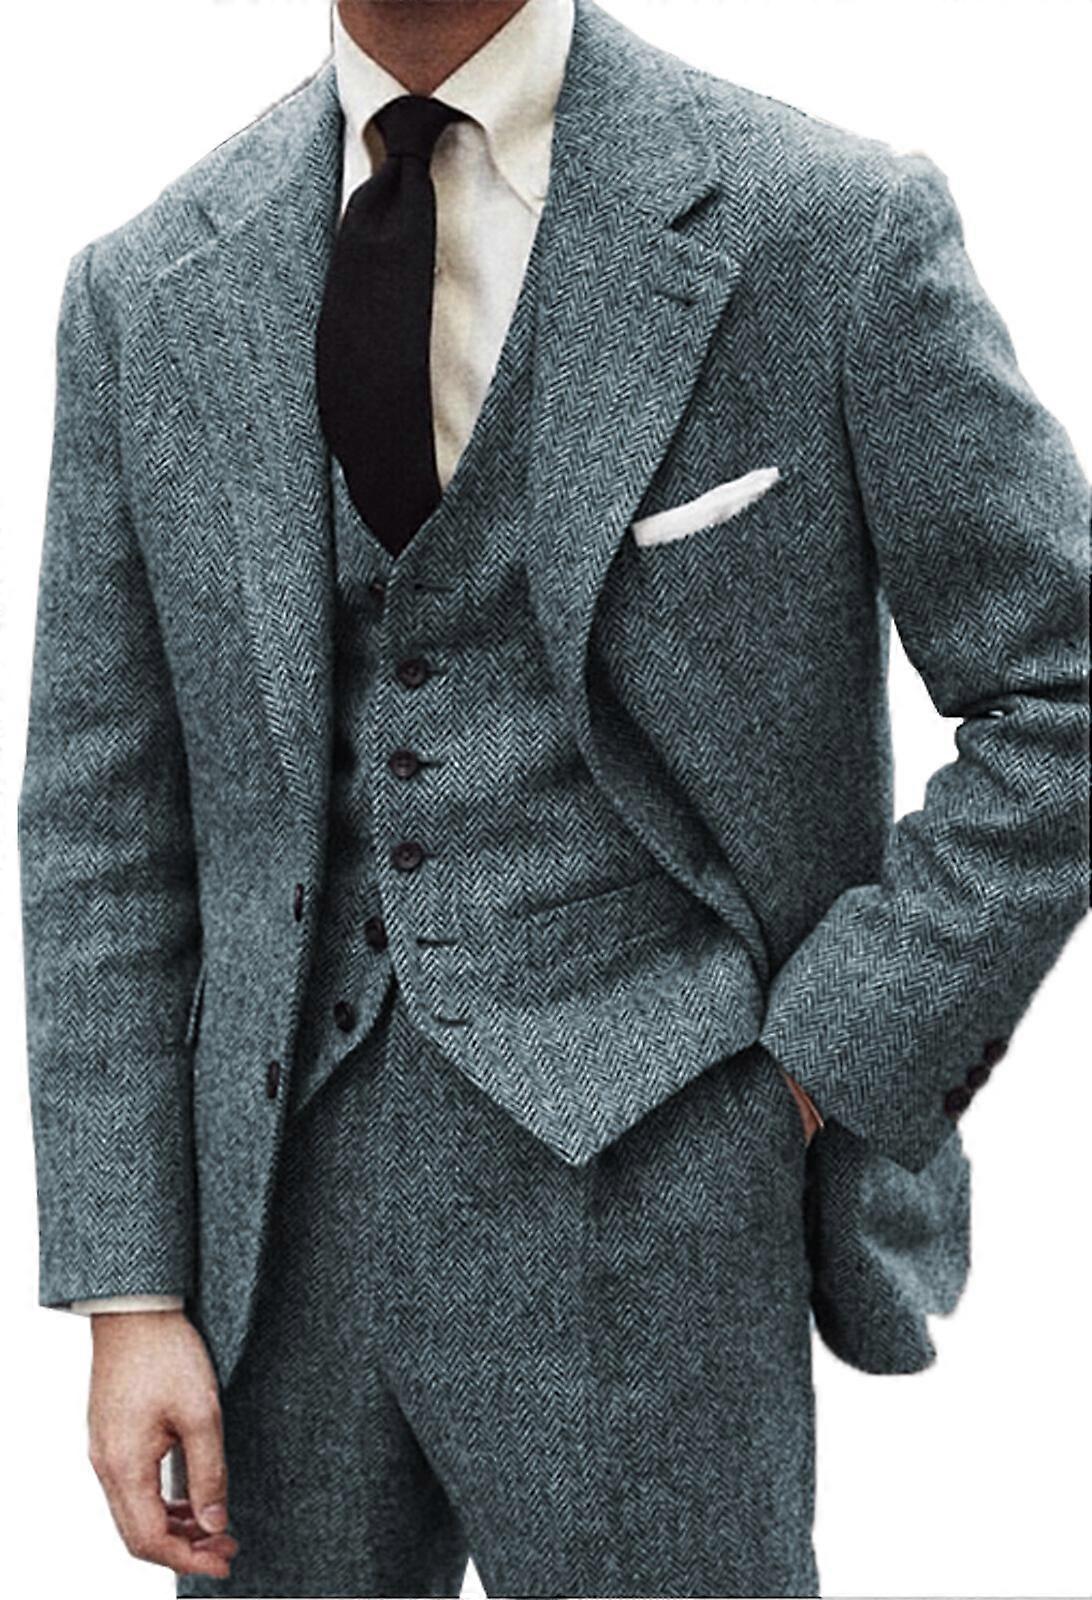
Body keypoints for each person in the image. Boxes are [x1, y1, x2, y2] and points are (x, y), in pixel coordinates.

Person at [18, 0, 1089, 1595]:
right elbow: (104, 823)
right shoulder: (146, 288)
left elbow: (1063, 689)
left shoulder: (823, 225)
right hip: (271, 1238)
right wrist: (129, 1287)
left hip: (655, 1192)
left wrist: (816, 1062)